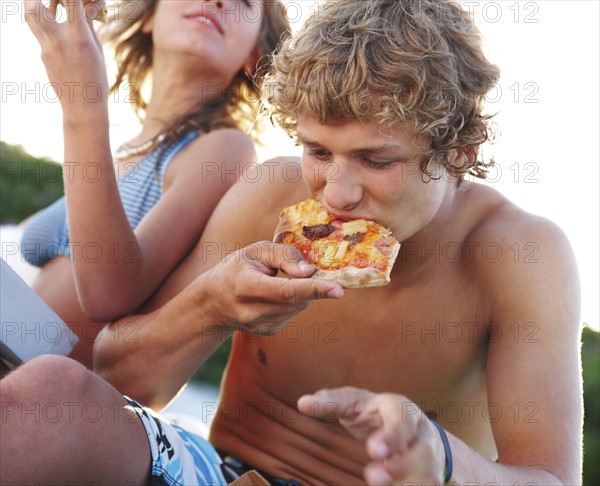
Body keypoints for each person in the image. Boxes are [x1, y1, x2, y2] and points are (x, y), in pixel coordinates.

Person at [2, 0, 582, 485]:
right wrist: (207, 308)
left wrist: (446, 458)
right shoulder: (269, 192)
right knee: (50, 391)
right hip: (222, 470)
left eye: (377, 160)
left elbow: (550, 478)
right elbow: (118, 378)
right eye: (319, 151)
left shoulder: (521, 255)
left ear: (460, 155)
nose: (338, 193)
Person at [16, 0, 290, 368]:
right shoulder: (120, 153)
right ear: (149, 18)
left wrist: (83, 105)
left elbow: (108, 297)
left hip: (51, 401)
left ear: (255, 55)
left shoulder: (224, 148)